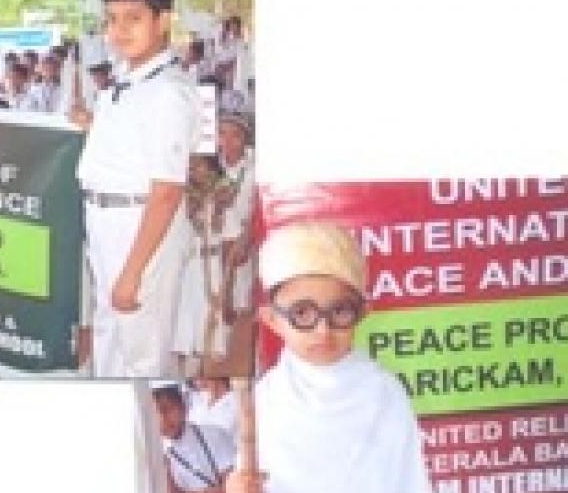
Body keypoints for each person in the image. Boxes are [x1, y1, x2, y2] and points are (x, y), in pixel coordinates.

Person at [226, 222, 432, 493]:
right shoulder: (263, 403)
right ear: (272, 319)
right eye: (302, 314)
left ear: (362, 313)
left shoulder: (385, 394)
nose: (323, 330)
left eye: (340, 311)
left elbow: (408, 482)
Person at [73, 0, 200, 377]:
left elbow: (167, 190)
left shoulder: (168, 92)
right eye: (111, 19)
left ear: (162, 21)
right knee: (112, 340)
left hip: (140, 224)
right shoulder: (128, 81)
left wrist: (133, 272)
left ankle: (141, 439)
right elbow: (134, 146)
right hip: (107, 220)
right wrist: (92, 123)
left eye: (133, 18)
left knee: (142, 354)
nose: (118, 30)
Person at [174, 154, 237, 376]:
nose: (194, 172)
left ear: (212, 168)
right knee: (182, 331)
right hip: (186, 268)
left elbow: (230, 242)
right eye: (190, 167)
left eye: (199, 166)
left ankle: (203, 373)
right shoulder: (181, 198)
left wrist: (227, 291)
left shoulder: (225, 198)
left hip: (212, 268)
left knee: (209, 330)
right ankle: (184, 372)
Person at [153, 384, 236, 493]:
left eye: (168, 409)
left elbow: (234, 484)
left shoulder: (214, 435)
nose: (163, 419)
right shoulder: (158, 455)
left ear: (183, 408)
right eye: (155, 413)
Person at [216, 111, 255, 313]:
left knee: (243, 308)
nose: (228, 141)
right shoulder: (207, 166)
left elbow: (260, 208)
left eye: (236, 135)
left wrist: (246, 240)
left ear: (246, 138)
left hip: (245, 244)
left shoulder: (257, 167)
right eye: (222, 133)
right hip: (213, 250)